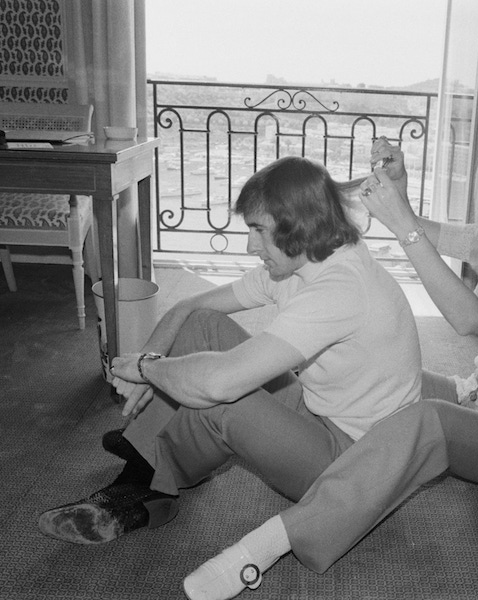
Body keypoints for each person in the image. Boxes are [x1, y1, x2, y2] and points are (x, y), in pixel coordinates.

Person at [180, 132, 478, 600]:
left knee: (426, 422)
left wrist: (405, 228)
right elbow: (420, 225)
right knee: (378, 372)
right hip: (471, 393)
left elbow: (469, 318)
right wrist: (397, 188)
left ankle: (269, 543)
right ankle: (348, 468)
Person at [36, 156, 422, 567]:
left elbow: (220, 383)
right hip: (321, 409)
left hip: (359, 465)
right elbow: (189, 307)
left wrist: (148, 371)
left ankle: (146, 486)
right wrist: (146, 360)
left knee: (222, 395)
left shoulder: (339, 288)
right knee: (206, 326)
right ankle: (149, 447)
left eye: (259, 230)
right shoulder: (308, 257)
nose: (250, 246)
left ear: (298, 225)